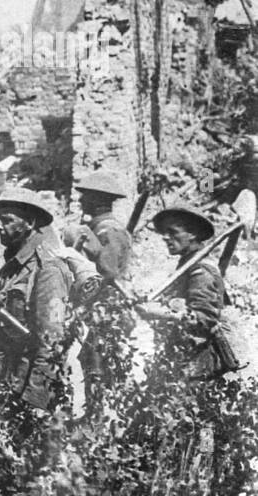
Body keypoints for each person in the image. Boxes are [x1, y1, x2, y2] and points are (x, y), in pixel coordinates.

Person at [0, 188, 73, 431]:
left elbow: (52, 343)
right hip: (9, 377)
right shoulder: (16, 264)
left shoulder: (48, 270)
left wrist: (34, 401)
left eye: (8, 220)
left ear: (30, 222)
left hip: (28, 386)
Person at [136, 207, 236, 382]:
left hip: (200, 362)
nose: (166, 237)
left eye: (173, 232)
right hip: (185, 355)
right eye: (165, 232)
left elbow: (204, 320)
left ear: (192, 235)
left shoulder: (201, 270)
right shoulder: (188, 264)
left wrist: (155, 313)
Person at [64, 170, 134, 414]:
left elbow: (109, 272)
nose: (81, 202)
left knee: (99, 365)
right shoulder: (98, 229)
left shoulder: (108, 231)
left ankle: (102, 423)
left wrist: (92, 251)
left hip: (109, 310)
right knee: (92, 360)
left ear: (98, 200)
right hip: (99, 309)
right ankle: (99, 418)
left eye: (85, 197)